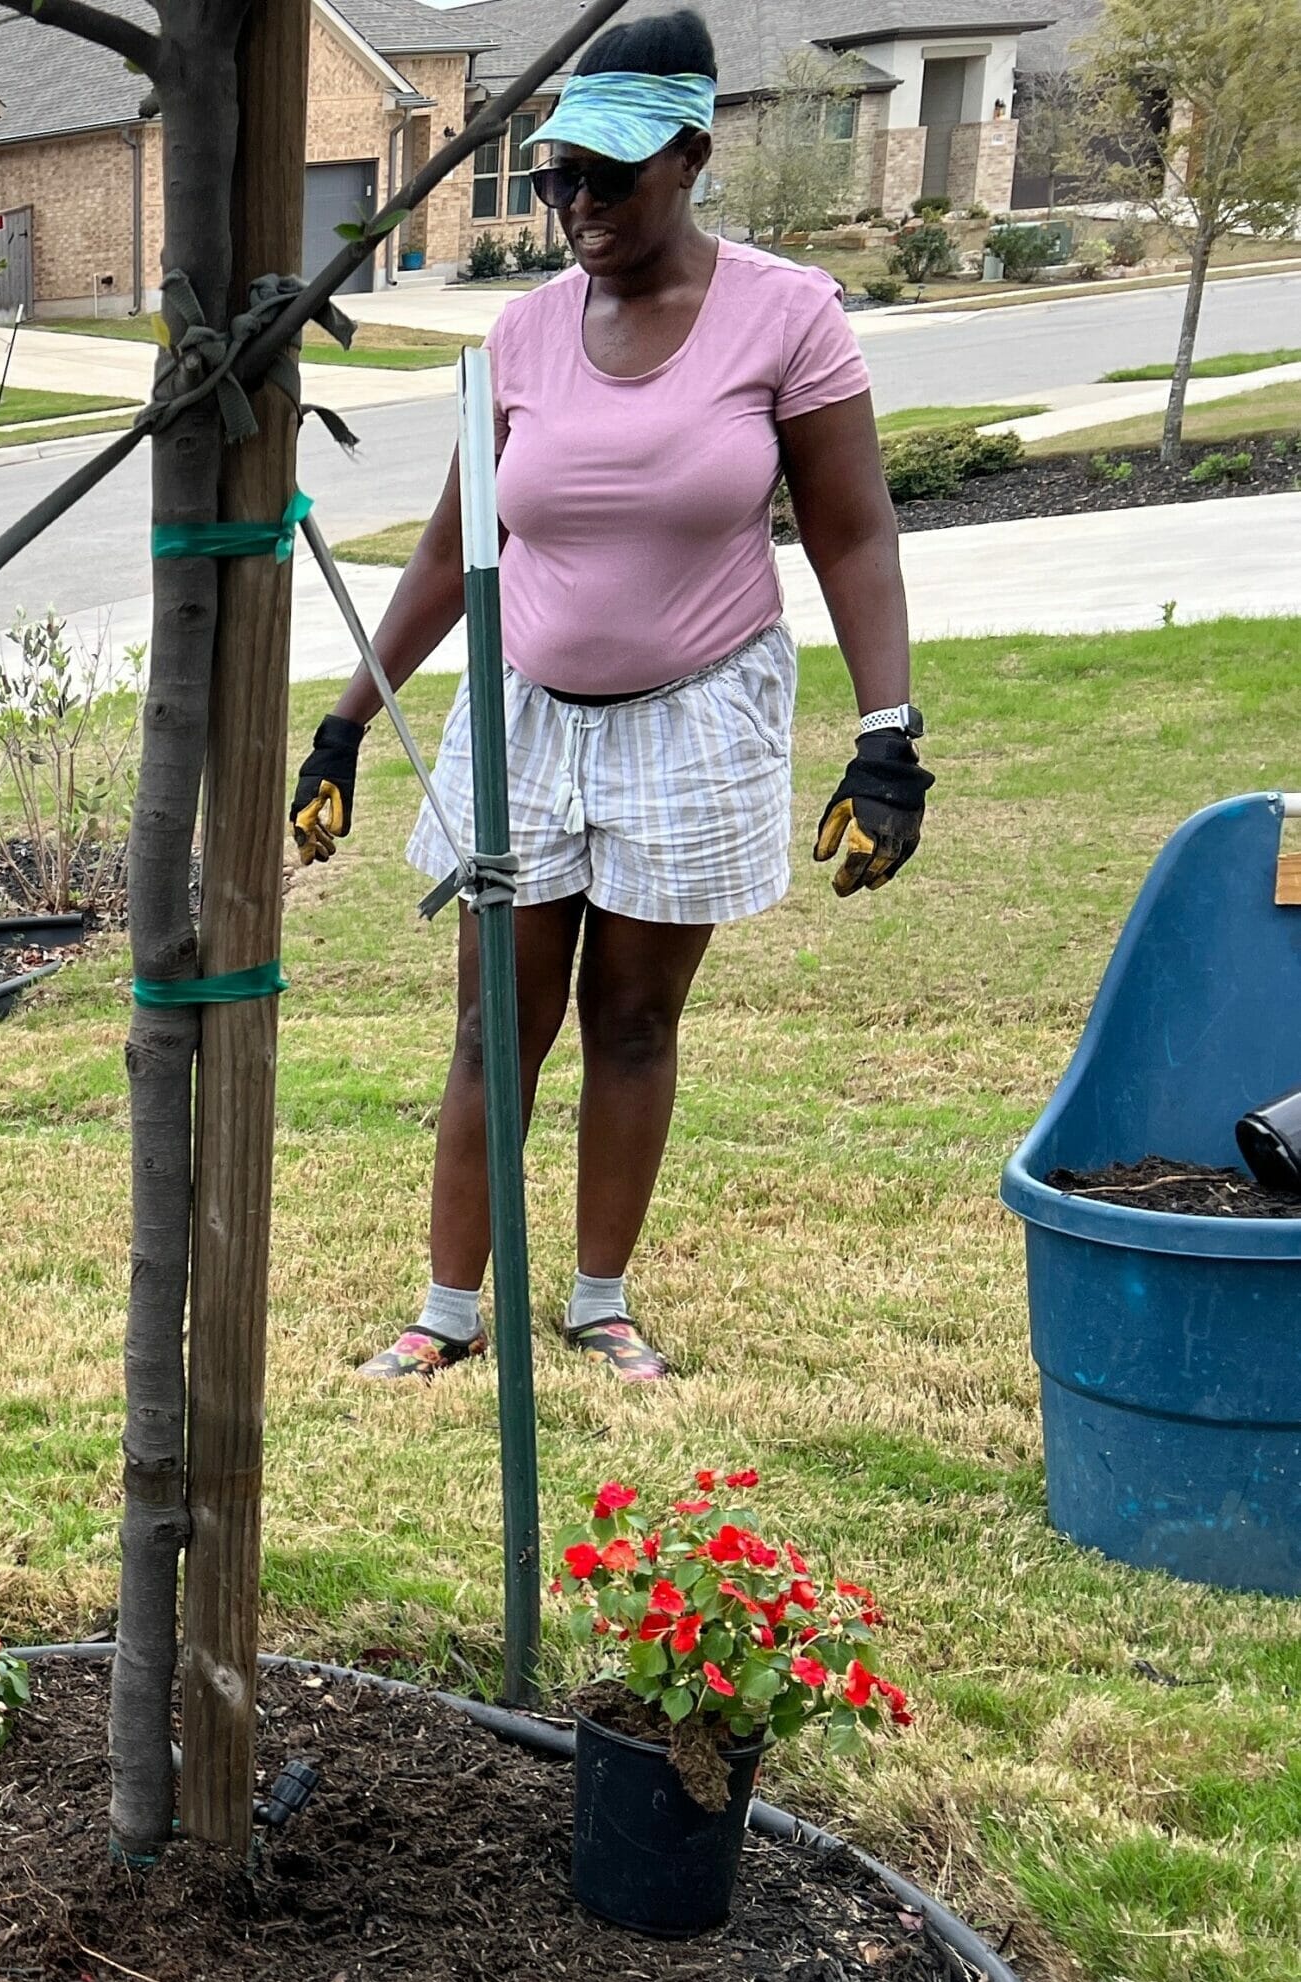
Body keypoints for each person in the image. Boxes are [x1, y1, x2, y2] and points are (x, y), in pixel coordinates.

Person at [290, 6, 932, 1384]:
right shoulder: (516, 338)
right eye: (553, 176)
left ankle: (597, 1300)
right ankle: (444, 1311)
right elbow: (454, 552)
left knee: (633, 1022)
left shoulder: (787, 316)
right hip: (520, 721)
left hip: (695, 717)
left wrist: (886, 738)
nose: (573, 202)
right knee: (491, 1024)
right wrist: (343, 721)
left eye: (606, 177)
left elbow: (852, 533)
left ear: (690, 157)